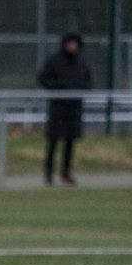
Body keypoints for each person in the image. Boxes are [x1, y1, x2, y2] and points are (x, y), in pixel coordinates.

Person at [37, 31, 92, 186]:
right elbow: (43, 79)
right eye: (70, 43)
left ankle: (66, 173)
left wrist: (79, 88)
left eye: (75, 44)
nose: (72, 47)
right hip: (58, 108)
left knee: (70, 142)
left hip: (74, 108)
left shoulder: (81, 62)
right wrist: (60, 88)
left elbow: (88, 82)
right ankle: (48, 175)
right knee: (53, 141)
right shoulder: (54, 61)